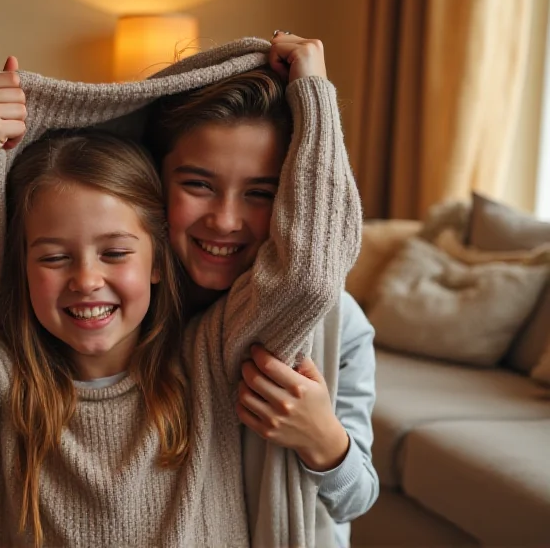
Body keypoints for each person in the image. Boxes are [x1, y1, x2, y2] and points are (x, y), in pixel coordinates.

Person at [0, 36, 362, 547]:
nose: (86, 279)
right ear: (21, 267)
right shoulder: (2, 384)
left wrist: (313, 91)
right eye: (54, 256)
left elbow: (309, 274)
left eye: (114, 253)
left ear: (157, 260)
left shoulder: (208, 360)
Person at [144, 32, 379, 548]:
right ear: (154, 178)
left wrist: (323, 439)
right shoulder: (127, 307)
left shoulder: (341, 324)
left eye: (261, 194)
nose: (226, 221)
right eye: (198, 184)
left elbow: (356, 497)